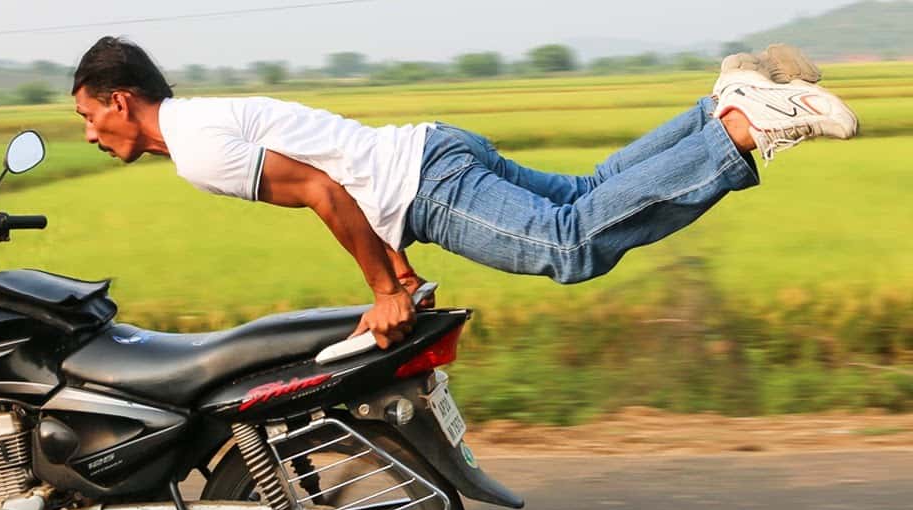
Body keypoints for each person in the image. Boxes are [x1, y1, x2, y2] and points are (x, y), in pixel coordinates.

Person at [70, 38, 857, 348]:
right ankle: (724, 100)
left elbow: (319, 188)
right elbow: (328, 173)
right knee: (588, 193)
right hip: (430, 150)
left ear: (119, 100)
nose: (87, 134)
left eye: (86, 115)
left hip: (423, 185)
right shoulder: (204, 118)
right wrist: (401, 273)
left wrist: (383, 288)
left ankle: (745, 127)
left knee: (570, 243)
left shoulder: (194, 149)